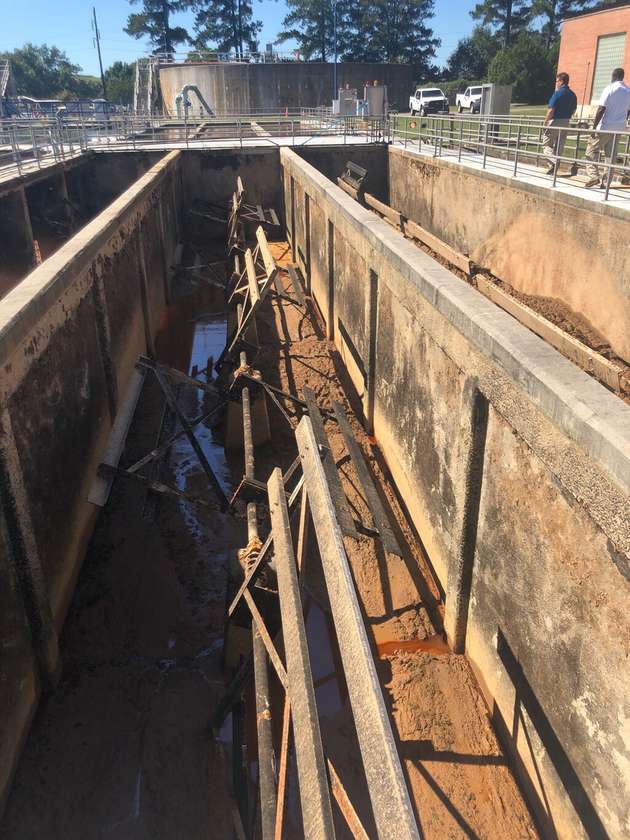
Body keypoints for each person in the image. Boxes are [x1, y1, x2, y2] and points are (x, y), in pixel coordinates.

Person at [585, 67, 630, 188]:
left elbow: (601, 108)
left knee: (591, 150)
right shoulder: (628, 90)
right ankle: (606, 183)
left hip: (605, 126)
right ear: (622, 77)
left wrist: (594, 127)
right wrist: (623, 121)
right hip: (618, 128)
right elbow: (628, 111)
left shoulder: (609, 88)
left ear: (613, 76)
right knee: (611, 156)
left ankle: (593, 176)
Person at [542, 72, 578, 175]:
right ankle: (554, 166)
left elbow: (551, 110)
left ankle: (554, 162)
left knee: (546, 144)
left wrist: (545, 123)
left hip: (555, 121)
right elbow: (574, 110)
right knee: (559, 146)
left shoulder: (557, 93)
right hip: (566, 122)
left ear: (561, 81)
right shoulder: (573, 95)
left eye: (557, 81)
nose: (556, 83)